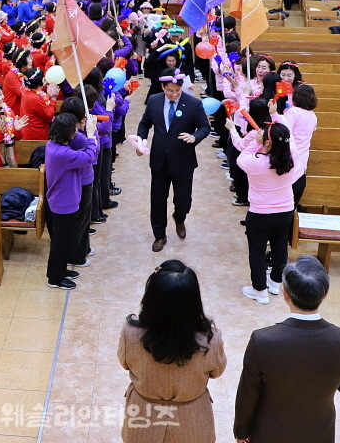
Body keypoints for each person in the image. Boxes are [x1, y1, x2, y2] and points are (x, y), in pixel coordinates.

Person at [234, 256, 340, 443]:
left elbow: (247, 394)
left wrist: (241, 432)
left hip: (268, 433)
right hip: (319, 433)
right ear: (325, 293)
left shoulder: (262, 340)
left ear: (285, 293)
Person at [119, 260, 226, 443]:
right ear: (194, 301)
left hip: (143, 418)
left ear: (151, 298)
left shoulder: (130, 334)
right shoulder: (211, 339)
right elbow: (217, 371)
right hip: (193, 421)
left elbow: (125, 363)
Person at [136, 68, 211, 252]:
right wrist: (141, 141)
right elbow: (145, 124)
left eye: (177, 91)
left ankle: (180, 217)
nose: (174, 94)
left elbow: (204, 127)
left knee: (183, 200)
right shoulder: (154, 101)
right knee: (158, 200)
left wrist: (195, 137)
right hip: (159, 160)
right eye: (170, 90)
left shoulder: (193, 104)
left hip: (183, 160)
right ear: (162, 87)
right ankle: (159, 235)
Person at [236, 122, 296, 305]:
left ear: (267, 143)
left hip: (260, 213)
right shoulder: (292, 159)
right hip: (285, 211)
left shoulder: (256, 162)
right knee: (279, 247)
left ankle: (259, 290)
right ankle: (276, 282)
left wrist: (256, 142)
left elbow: (241, 159)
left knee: (257, 251)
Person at [45, 112, 98, 289]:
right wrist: (91, 135)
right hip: (63, 202)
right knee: (61, 241)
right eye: (74, 129)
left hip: (64, 198)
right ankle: (55, 278)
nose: (76, 132)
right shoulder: (62, 153)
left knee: (65, 239)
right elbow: (90, 157)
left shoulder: (54, 144)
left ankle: (60, 270)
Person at [19, 68, 58, 141]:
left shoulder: (25, 90)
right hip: (36, 135)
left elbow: (37, 92)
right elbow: (49, 116)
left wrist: (42, 87)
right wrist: (53, 98)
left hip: (28, 130)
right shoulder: (35, 99)